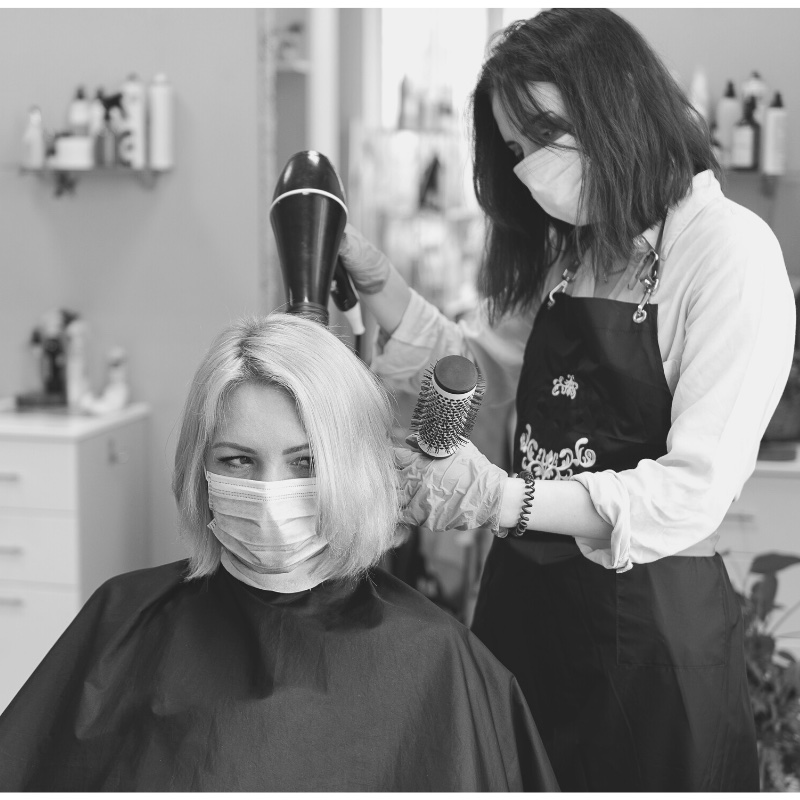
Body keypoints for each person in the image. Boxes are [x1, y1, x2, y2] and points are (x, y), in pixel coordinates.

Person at [338, 8, 797, 792]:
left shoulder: (728, 250)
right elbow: (486, 376)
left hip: (649, 644)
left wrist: (506, 500)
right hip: (528, 615)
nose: (529, 170)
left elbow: (694, 490)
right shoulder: (577, 256)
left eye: (544, 134)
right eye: (514, 151)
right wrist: (380, 286)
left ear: (616, 100)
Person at [0, 313, 558, 792]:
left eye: (306, 462)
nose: (270, 494)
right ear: (198, 471)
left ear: (356, 470)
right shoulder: (121, 621)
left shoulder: (440, 659)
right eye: (238, 460)